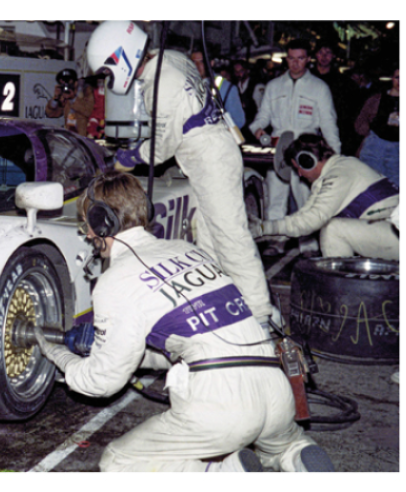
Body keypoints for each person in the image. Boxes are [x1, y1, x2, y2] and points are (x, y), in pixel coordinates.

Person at [32, 171, 334, 472]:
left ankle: (222, 473)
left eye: (88, 225)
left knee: (118, 461)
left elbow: (102, 382)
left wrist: (61, 357)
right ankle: (296, 455)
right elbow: (199, 337)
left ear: (102, 223)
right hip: (275, 388)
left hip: (221, 405)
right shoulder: (187, 251)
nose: (87, 234)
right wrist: (122, 350)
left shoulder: (115, 282)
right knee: (282, 445)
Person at [87, 21, 274, 326]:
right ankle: (225, 304)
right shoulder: (169, 58)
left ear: (120, 57)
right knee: (210, 239)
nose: (109, 77)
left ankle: (262, 317)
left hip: (210, 158)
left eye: (109, 69)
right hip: (211, 154)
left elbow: (161, 147)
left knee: (232, 239)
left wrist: (130, 156)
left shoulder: (161, 83)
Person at [248, 39, 340, 256]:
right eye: (291, 58)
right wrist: (259, 130)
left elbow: (328, 123)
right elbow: (261, 117)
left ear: (308, 59)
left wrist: (335, 156)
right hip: (278, 149)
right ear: (285, 58)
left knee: (306, 200)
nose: (295, 63)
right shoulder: (273, 86)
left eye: (300, 58)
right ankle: (276, 240)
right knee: (276, 198)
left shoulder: (319, 88)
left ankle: (308, 243)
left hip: (306, 150)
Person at [249, 133, 398, 260]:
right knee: (333, 227)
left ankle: (341, 290)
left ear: (308, 161)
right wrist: (263, 229)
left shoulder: (339, 175)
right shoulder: (338, 168)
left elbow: (310, 222)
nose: (299, 174)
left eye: (298, 168)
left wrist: (263, 228)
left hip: (399, 235)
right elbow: (301, 218)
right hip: (392, 232)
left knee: (332, 229)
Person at [312, 42, 360, 155]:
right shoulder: (306, 78)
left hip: (334, 129)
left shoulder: (344, 82)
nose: (324, 56)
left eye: (328, 53)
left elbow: (350, 111)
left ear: (333, 55)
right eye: (320, 52)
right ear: (315, 54)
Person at [355, 68, 399, 187]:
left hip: (398, 151)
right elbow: (360, 121)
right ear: (392, 78)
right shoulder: (377, 98)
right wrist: (368, 134)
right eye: (397, 77)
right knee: (370, 184)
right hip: (375, 147)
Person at [190, 51, 245, 128]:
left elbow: (238, 121)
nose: (197, 66)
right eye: (194, 62)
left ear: (211, 63)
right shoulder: (186, 85)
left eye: (202, 61)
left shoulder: (226, 88)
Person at [45, 68, 96, 137]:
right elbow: (50, 114)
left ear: (75, 83)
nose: (66, 85)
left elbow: (89, 112)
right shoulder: (65, 96)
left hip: (85, 137)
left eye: (68, 81)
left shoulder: (86, 92)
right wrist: (56, 98)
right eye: (63, 83)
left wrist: (73, 99)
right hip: (71, 137)